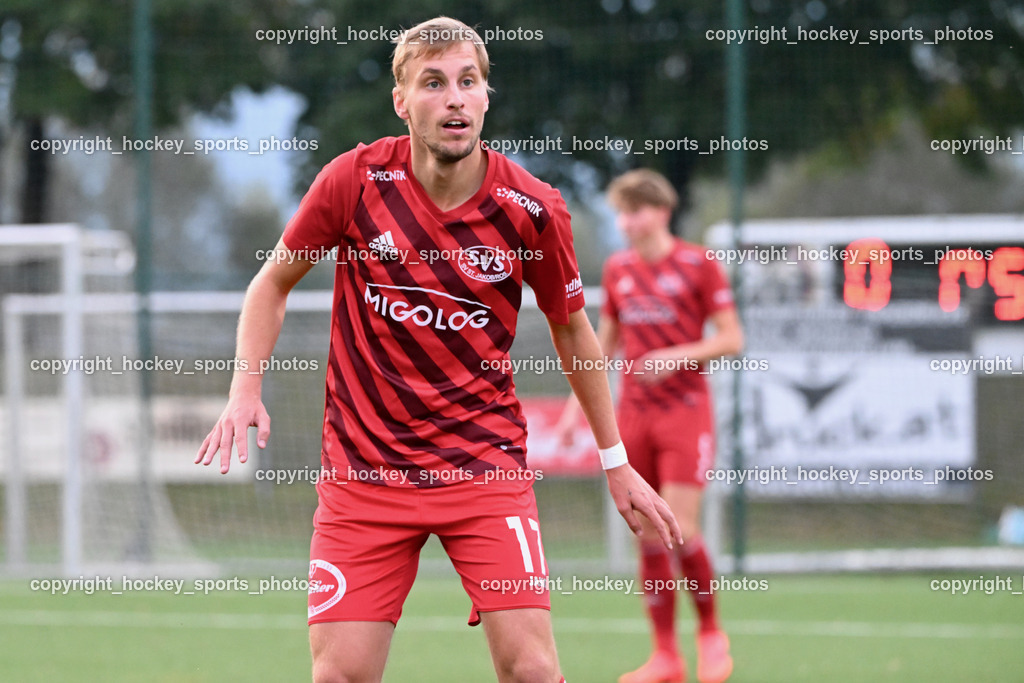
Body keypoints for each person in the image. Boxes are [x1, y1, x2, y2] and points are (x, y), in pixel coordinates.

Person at [195, 17, 681, 683]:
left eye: (468, 81)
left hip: (482, 465)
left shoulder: (532, 209)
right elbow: (270, 284)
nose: (454, 97)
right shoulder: (353, 182)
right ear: (402, 101)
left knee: (532, 667)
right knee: (340, 675)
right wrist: (244, 388)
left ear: (485, 97)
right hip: (365, 472)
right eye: (433, 83)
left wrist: (615, 459)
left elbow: (573, 329)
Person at [556, 169, 742, 683]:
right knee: (648, 534)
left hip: (685, 413)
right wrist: (576, 416)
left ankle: (710, 633)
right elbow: (603, 344)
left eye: (633, 210)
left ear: (660, 211)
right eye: (620, 212)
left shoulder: (697, 265)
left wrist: (678, 355)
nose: (625, 221)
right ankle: (665, 656)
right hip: (633, 415)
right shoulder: (618, 270)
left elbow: (731, 338)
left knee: (680, 528)